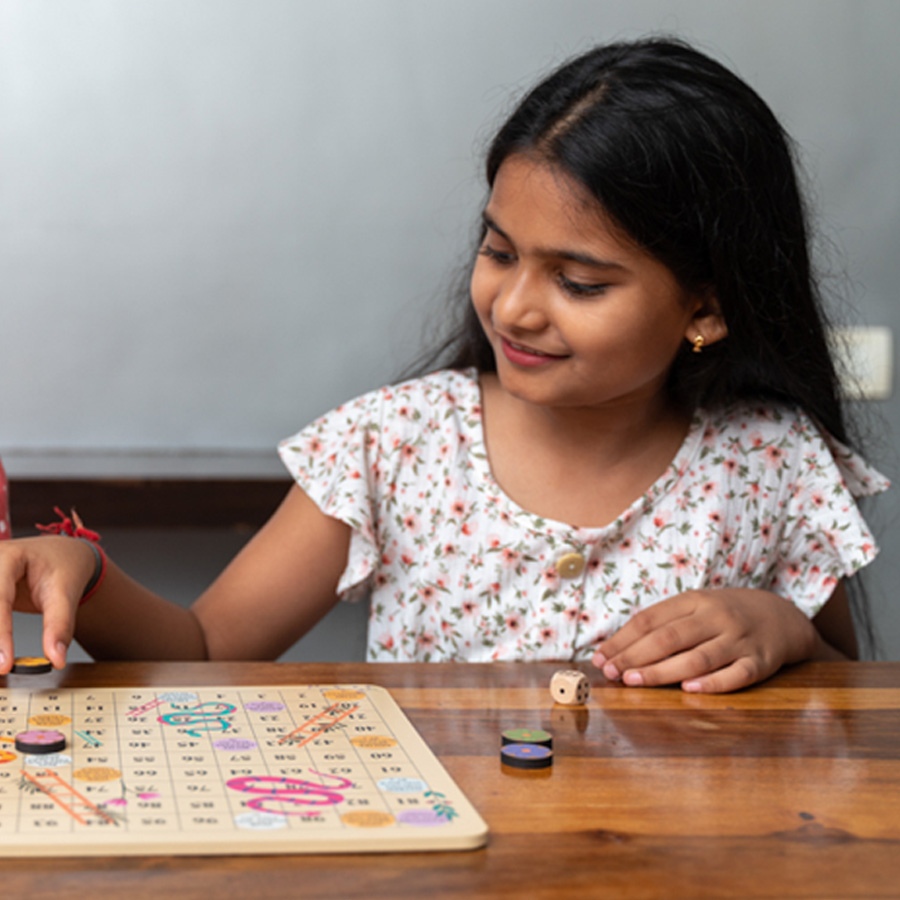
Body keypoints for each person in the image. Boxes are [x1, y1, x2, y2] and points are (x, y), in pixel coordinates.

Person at [0, 37, 887, 692]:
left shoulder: (773, 461)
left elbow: (851, 697)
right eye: (499, 252)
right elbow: (200, 650)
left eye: (578, 282)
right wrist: (85, 572)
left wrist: (784, 631)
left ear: (706, 304)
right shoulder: (393, 443)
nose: (514, 306)